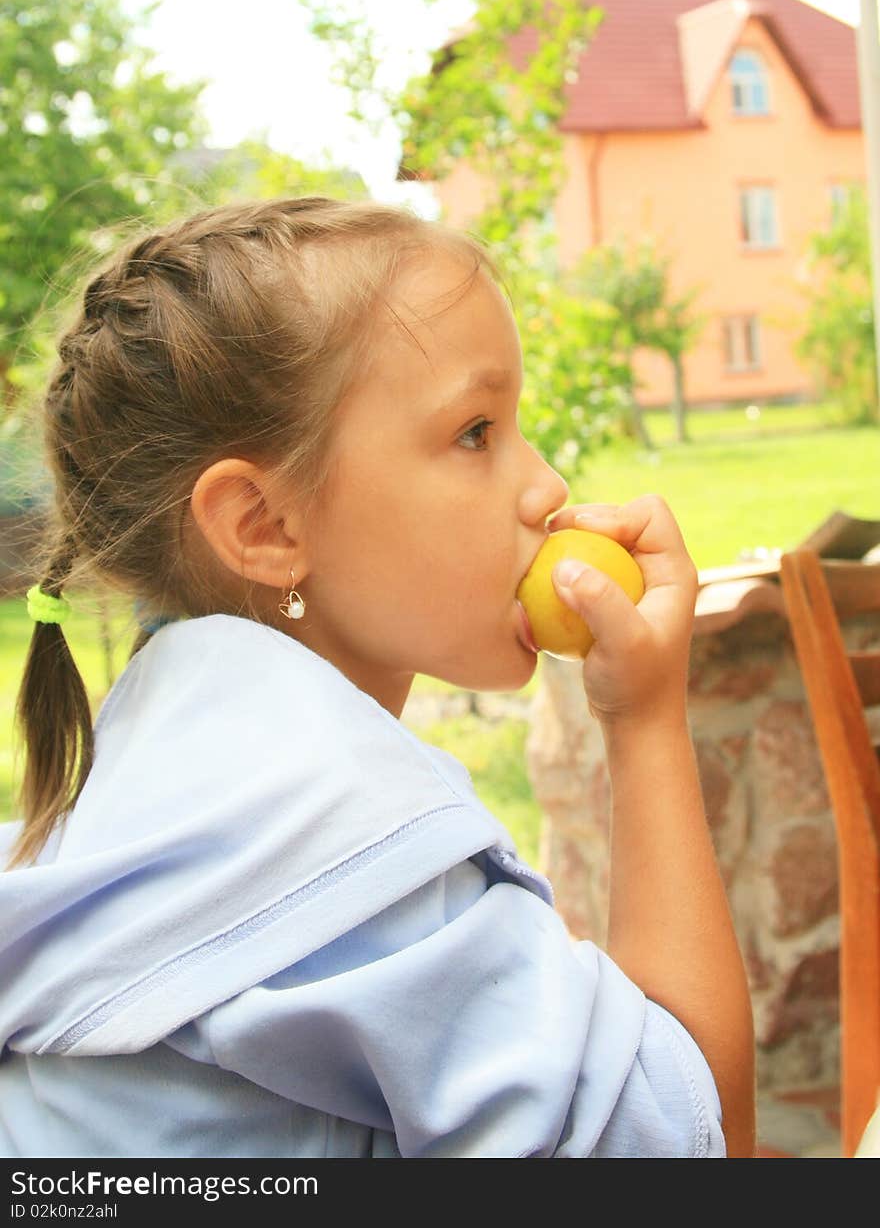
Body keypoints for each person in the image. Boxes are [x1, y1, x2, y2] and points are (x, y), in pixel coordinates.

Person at [0, 196, 755, 1158]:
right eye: (476, 433)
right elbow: (695, 1141)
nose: (548, 488)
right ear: (266, 527)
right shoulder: (335, 849)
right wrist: (644, 720)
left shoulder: (179, 787)